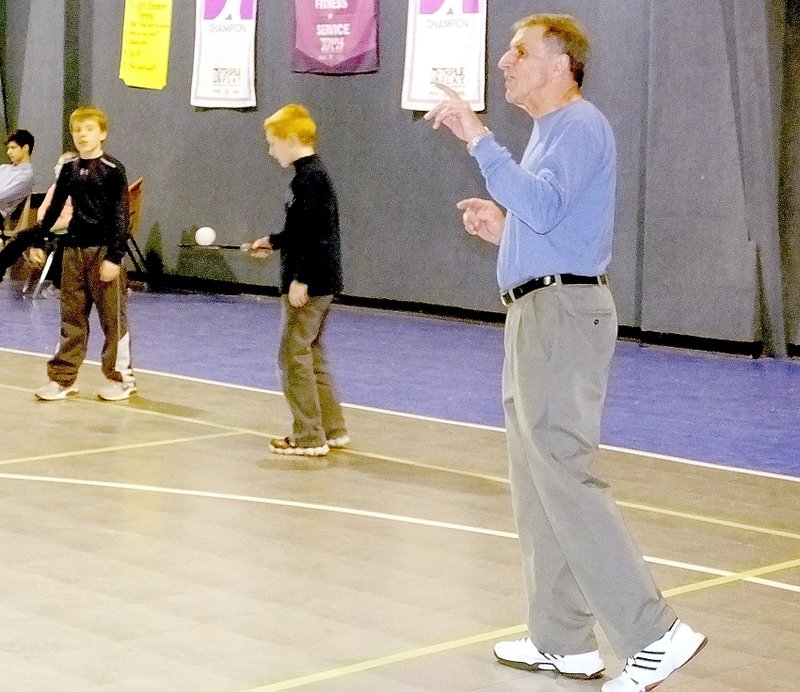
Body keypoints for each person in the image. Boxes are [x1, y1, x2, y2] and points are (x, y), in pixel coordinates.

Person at [424, 13, 706, 692]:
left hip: (562, 317)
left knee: (564, 474)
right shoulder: (551, 133)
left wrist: (481, 139)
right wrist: (506, 230)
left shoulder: (579, 126)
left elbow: (545, 208)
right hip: (538, 312)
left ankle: (654, 632)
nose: (504, 61)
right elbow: (547, 218)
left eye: (517, 52)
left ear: (560, 64)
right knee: (537, 482)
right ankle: (565, 641)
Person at [247, 103, 348, 457]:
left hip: (312, 281)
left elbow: (319, 235)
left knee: (292, 356)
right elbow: (301, 229)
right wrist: (272, 242)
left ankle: (308, 435)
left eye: (273, 143)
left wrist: (301, 278)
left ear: (290, 140)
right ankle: (332, 429)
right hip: (319, 278)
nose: (270, 150)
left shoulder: (310, 178)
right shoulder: (308, 176)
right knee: (311, 354)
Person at [32, 106, 136, 402]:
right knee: (71, 318)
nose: (83, 135)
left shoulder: (113, 170)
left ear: (102, 134)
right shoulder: (69, 170)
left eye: (89, 129)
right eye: (77, 130)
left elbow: (121, 215)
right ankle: (63, 378)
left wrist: (114, 257)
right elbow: (53, 210)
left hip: (103, 251)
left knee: (112, 320)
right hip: (73, 252)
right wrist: (40, 239)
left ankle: (121, 379)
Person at [0, 151, 76, 289]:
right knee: (22, 236)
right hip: (48, 227)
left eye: (59, 165)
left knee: (62, 243)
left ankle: (58, 285)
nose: (55, 168)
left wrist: (56, 225)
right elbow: (42, 210)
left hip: (69, 230)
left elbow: (77, 218)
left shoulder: (80, 191)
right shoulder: (55, 188)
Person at [0, 129, 35, 244]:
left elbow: (2, 196)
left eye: (13, 148)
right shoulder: (4, 168)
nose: (9, 152)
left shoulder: (26, 175)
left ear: (25, 148)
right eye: (8, 148)